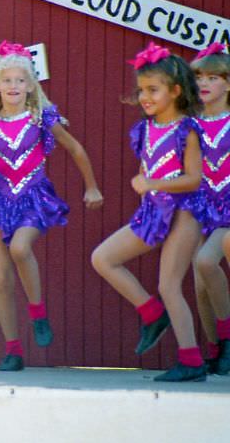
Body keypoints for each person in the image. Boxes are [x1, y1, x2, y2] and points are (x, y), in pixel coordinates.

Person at [0, 41, 103, 372]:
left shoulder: (40, 118)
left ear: (31, 85)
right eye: (7, 80)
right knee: (1, 278)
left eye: (20, 81)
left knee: (21, 248)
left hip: (33, 196)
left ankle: (37, 313)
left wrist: (92, 187)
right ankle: (12, 349)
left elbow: (76, 149)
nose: (13, 86)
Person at [92, 42, 207, 382]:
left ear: (175, 91)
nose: (144, 96)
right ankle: (152, 313)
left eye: (153, 90)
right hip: (154, 211)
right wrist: (150, 188)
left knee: (169, 284)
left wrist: (153, 182)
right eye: (141, 90)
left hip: (185, 212)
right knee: (103, 258)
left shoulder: (188, 130)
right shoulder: (145, 128)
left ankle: (191, 361)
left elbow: (194, 179)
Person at [190, 42, 230, 375]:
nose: (205, 83)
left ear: (228, 83)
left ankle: (228, 341)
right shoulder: (190, 123)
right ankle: (214, 349)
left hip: (228, 209)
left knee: (206, 262)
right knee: (200, 283)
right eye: (199, 76)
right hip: (199, 209)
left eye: (214, 77)